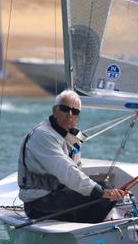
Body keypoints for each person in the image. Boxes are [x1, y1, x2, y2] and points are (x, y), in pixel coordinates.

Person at [17, 90, 127, 223]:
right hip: (38, 203)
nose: (70, 114)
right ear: (54, 110)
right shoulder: (42, 135)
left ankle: (91, 224)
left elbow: (76, 171)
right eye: (64, 109)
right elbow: (66, 170)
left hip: (58, 196)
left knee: (106, 188)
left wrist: (103, 190)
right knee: (102, 192)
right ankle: (89, 228)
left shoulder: (72, 138)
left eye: (75, 112)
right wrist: (99, 191)